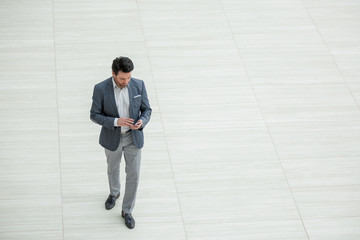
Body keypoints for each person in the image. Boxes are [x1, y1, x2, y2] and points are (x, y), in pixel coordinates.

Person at [90, 56, 152, 229]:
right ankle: (114, 193)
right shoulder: (100, 89)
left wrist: (142, 122)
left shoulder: (138, 85)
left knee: (134, 174)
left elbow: (147, 109)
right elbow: (94, 115)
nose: (126, 81)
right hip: (112, 137)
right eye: (122, 78)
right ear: (113, 74)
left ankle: (127, 210)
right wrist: (117, 121)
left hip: (134, 137)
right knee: (113, 168)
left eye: (129, 77)